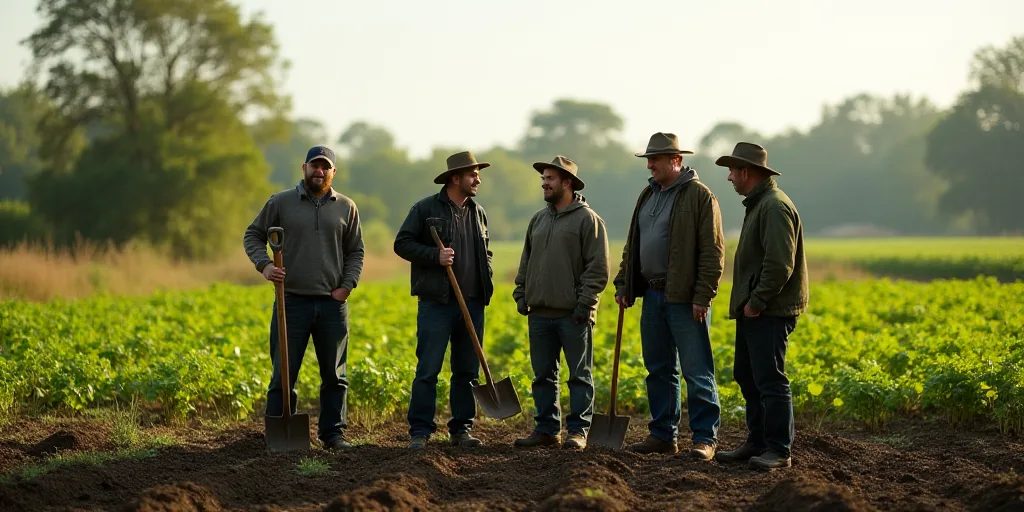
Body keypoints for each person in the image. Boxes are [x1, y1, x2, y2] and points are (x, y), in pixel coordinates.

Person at [613, 132, 726, 460]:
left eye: (656, 159)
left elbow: (713, 251)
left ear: (676, 161)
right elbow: (633, 244)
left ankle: (705, 438)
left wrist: (703, 295)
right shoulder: (647, 194)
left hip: (685, 297)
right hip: (652, 294)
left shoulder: (700, 196)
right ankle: (663, 435)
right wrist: (624, 283)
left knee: (696, 369)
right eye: (649, 159)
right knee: (658, 368)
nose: (650, 165)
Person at [243, 145, 364, 450]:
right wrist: (266, 265)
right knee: (283, 373)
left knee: (335, 375)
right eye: (314, 165)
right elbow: (253, 235)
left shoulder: (346, 207)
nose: (319, 171)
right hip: (291, 302)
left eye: (325, 167)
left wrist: (346, 286)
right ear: (304, 168)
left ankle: (333, 434)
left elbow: (356, 252)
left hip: (331, 304)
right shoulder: (281, 202)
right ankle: (279, 433)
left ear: (333, 172)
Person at [712, 142, 808, 470]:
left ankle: (779, 451)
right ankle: (758, 442)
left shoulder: (773, 206)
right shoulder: (759, 204)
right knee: (747, 374)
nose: (728, 178)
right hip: (755, 309)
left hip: (769, 310)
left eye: (731, 171)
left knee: (770, 379)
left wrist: (756, 302)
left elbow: (780, 263)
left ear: (746, 172)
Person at [394, 151, 495, 449]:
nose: (478, 179)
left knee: (466, 370)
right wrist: (433, 256)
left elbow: (485, 251)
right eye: (473, 174)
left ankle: (461, 430)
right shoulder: (425, 208)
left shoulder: (479, 212)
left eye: (477, 174)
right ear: (455, 178)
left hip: (472, 302)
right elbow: (402, 243)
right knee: (428, 369)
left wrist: (484, 275)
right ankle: (420, 432)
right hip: (437, 302)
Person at [512, 156, 610, 450]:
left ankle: (578, 431)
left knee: (579, 376)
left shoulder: (588, 220)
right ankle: (546, 429)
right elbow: (526, 260)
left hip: (573, 315)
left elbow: (598, 269)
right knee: (543, 376)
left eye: (550, 178)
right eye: (543, 178)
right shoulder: (538, 219)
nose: (544, 183)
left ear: (567, 183)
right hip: (539, 313)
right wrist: (521, 292)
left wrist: (585, 304)